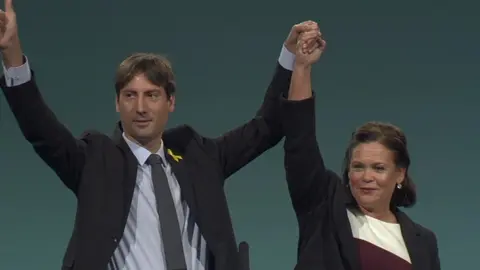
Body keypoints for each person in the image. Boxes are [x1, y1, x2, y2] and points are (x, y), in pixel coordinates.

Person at [0, 1, 321, 269]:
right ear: (117, 102)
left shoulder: (198, 154)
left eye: (152, 95)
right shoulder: (95, 160)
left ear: (171, 102)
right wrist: (12, 55)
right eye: (130, 95)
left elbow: (266, 128)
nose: (141, 107)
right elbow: (40, 129)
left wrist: (291, 59)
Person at [280, 32, 441, 269]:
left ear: (400, 174)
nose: (367, 177)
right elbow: (300, 142)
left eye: (378, 168)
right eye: (358, 166)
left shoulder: (424, 241)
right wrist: (302, 67)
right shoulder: (324, 208)